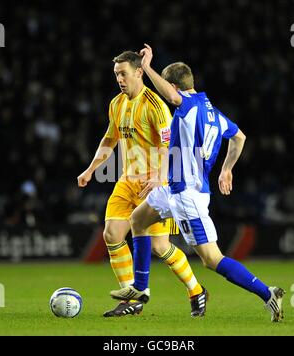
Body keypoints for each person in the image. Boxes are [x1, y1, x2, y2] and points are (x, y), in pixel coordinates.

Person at [110, 44, 286, 322]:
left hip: (188, 196)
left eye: (169, 90)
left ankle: (267, 293)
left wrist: (147, 68)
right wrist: (226, 169)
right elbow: (239, 137)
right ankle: (140, 290)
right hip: (173, 188)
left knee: (211, 259)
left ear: (174, 87)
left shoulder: (187, 104)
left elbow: (170, 94)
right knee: (138, 219)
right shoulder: (213, 111)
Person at [77, 50, 206, 317]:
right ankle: (132, 299)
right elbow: (109, 139)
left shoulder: (155, 106)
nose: (119, 79)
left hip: (154, 184)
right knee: (111, 234)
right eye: (116, 75)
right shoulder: (116, 104)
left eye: (123, 73)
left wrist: (160, 177)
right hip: (127, 180)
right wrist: (91, 169)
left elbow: (173, 146)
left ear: (138, 72)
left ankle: (196, 290)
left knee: (160, 247)